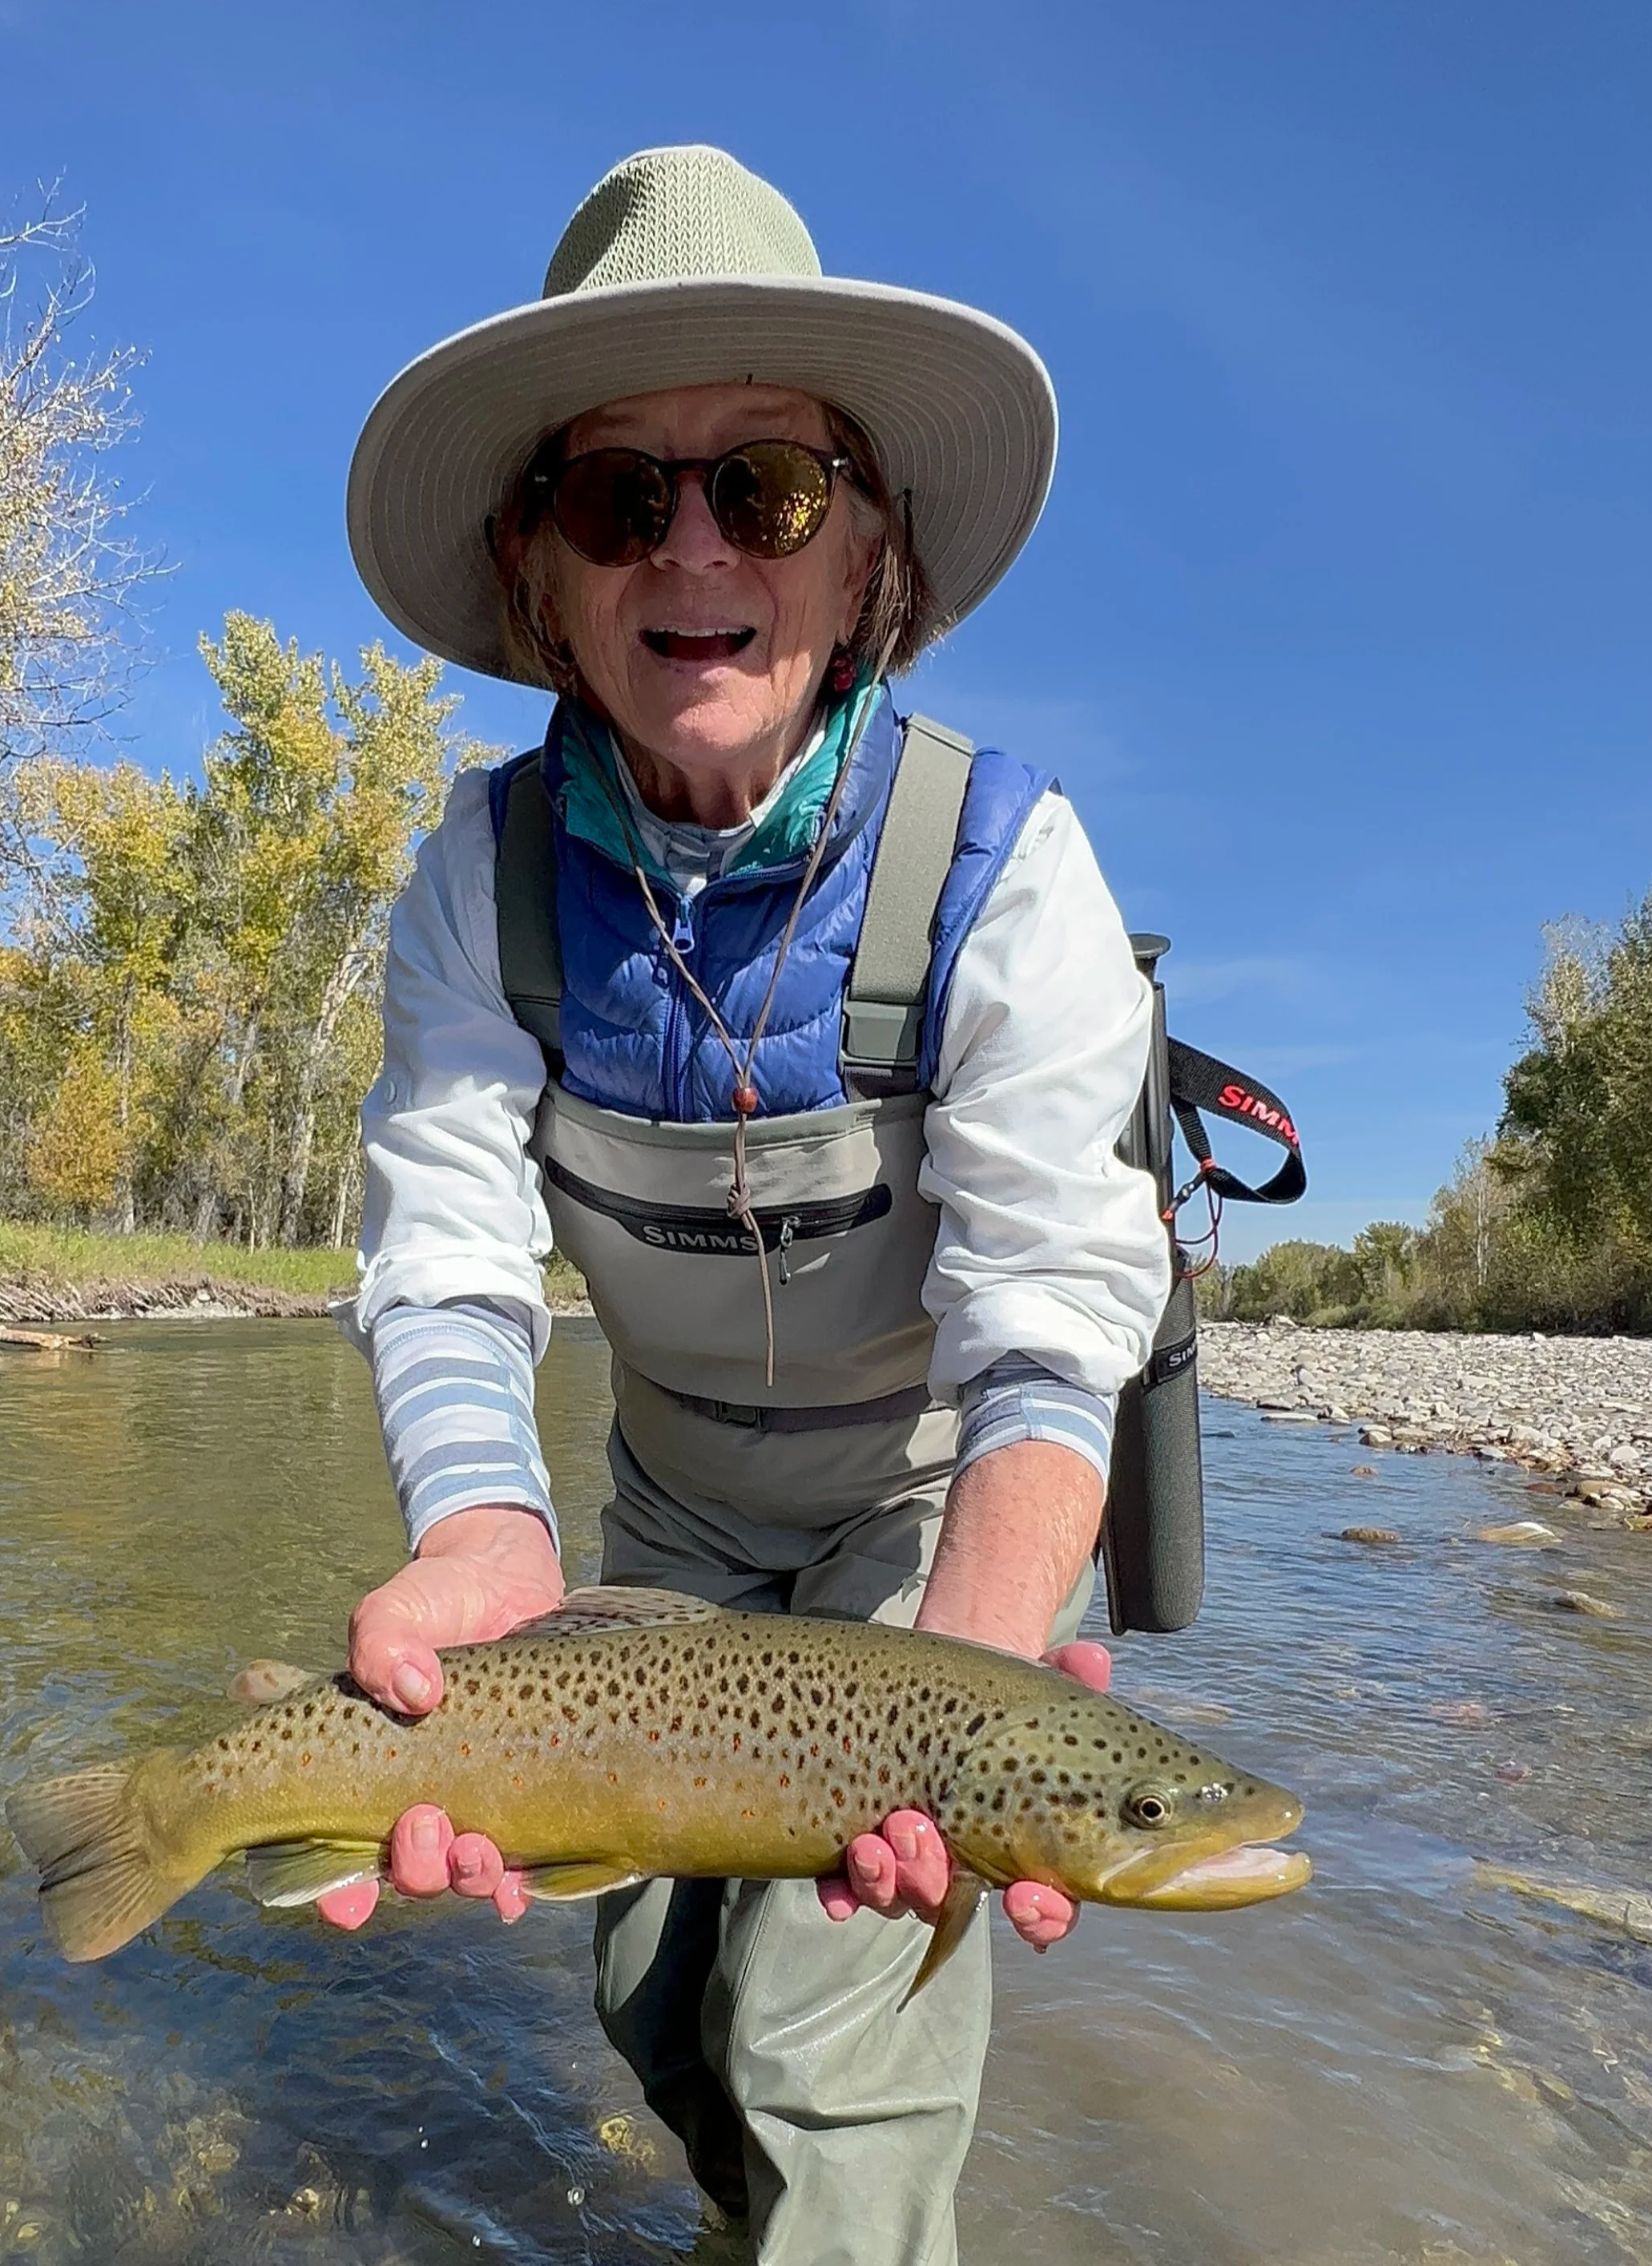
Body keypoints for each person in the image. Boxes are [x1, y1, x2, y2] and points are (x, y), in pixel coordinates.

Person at [324, 146, 1170, 2266]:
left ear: (867, 544)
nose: (690, 545)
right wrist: (482, 1529)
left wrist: (967, 1695)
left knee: (827, 2033)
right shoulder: (477, 884)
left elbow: (1050, 1319)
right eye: (622, 497)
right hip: (662, 1511)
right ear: (540, 570)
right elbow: (438, 1239)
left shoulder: (1007, 870)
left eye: (766, 488)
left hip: (921, 1508)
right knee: (644, 1978)